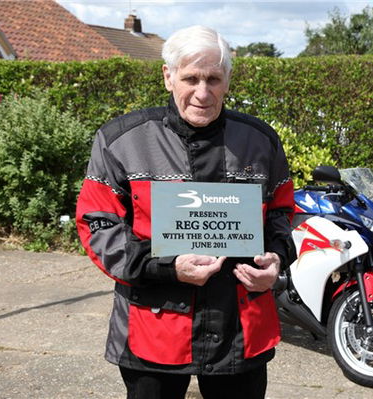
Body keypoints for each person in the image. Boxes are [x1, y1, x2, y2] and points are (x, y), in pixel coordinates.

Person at [76, 25, 295, 399]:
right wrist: (163, 267)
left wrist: (277, 259)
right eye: (191, 78)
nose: (203, 92)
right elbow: (98, 224)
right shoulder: (121, 141)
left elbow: (282, 210)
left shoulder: (260, 141)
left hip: (240, 327)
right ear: (168, 77)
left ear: (227, 80)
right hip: (155, 326)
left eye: (213, 78)